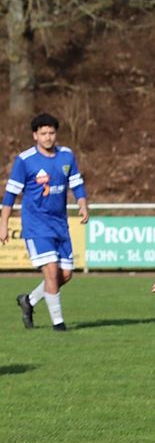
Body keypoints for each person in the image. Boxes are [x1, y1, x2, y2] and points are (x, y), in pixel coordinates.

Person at [0, 113, 89, 331]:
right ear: (35, 136)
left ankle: (28, 301)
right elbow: (11, 194)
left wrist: (83, 205)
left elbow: (76, 184)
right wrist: (3, 223)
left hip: (60, 223)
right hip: (36, 224)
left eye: (51, 133)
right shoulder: (25, 160)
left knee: (65, 275)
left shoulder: (66, 157)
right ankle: (58, 324)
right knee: (50, 269)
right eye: (43, 133)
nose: (48, 137)